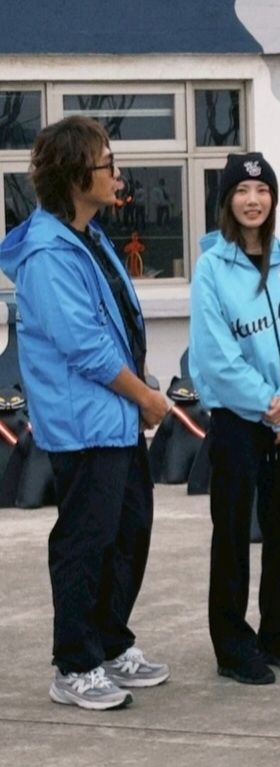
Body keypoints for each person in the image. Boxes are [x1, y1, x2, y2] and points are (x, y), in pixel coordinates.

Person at [0, 116, 170, 710]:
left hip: (115, 418)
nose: (117, 175)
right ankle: (74, 664)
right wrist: (144, 396)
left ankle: (109, 641)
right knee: (85, 542)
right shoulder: (50, 253)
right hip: (85, 424)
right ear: (76, 177)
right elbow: (86, 347)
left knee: (129, 532)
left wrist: (139, 392)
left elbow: (117, 323)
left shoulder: (88, 236)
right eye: (107, 164)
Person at [189, 151, 280, 684]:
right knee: (231, 532)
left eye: (262, 190)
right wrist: (269, 406)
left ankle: (278, 635)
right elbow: (215, 356)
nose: (253, 200)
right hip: (239, 419)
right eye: (242, 192)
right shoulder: (211, 268)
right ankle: (232, 645)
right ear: (227, 200)